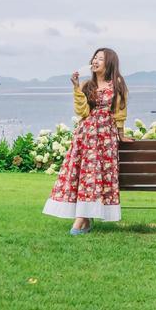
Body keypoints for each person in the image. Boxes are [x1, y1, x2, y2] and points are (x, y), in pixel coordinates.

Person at [42, 47, 130, 234]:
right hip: (86, 136)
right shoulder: (86, 85)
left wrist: (121, 135)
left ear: (110, 63)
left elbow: (119, 111)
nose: (96, 61)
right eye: (95, 58)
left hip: (105, 138)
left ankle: (80, 221)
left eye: (101, 58)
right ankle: (84, 221)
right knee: (85, 177)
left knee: (95, 177)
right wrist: (76, 87)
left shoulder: (117, 83)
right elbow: (82, 112)